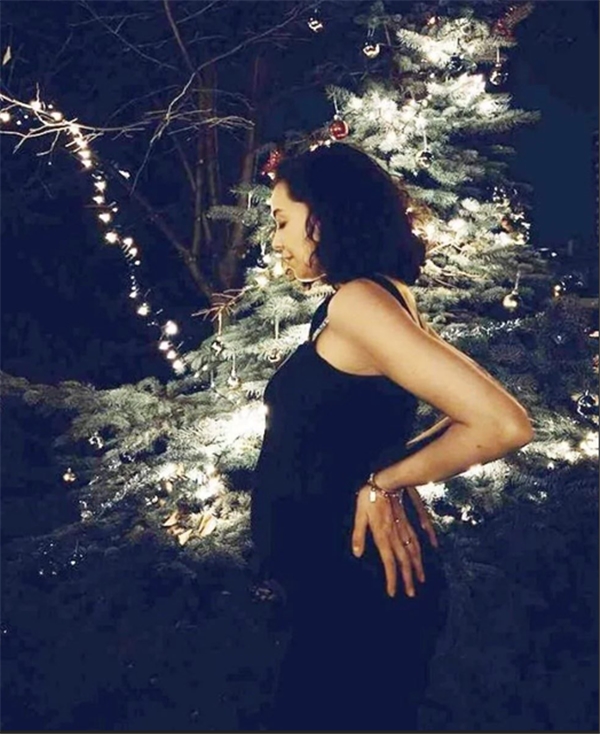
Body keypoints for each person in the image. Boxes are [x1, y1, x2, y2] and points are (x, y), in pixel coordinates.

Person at [250, 143, 534, 731]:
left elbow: (501, 422)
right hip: (340, 589)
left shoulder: (359, 302)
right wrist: (392, 473)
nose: (276, 241)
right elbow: (374, 426)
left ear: (323, 216)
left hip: (357, 599)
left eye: (281, 221)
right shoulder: (370, 298)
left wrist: (386, 483)